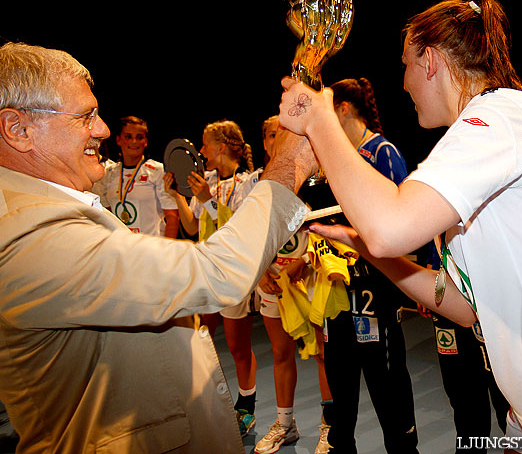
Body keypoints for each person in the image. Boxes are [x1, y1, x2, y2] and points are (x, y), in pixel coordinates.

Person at [278, 0, 522, 451]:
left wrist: (321, 119)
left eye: (405, 65)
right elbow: (460, 304)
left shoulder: (502, 115)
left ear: (431, 61)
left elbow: (390, 226)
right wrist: (360, 245)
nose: (402, 84)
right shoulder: (476, 143)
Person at [0, 41, 316, 453]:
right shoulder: (26, 234)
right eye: (85, 116)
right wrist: (288, 166)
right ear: (18, 130)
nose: (102, 130)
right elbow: (216, 273)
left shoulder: (39, 210)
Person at [316, 78, 418, 454]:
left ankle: (405, 448)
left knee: (388, 386)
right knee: (341, 389)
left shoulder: (383, 152)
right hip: (337, 290)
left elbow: (399, 225)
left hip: (377, 289)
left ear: (343, 109)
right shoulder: (335, 159)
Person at [163, 119, 261, 438]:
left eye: (205, 145)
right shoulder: (204, 182)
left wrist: (206, 198)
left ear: (220, 148)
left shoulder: (247, 183)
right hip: (206, 271)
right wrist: (176, 194)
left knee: (237, 347)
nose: (201, 151)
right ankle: (208, 409)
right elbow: (191, 228)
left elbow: (239, 233)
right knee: (200, 342)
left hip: (233, 273)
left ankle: (247, 409)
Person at [252, 115, 336, 454]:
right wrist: (260, 272)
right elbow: (251, 233)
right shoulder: (256, 183)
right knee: (280, 353)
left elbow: (333, 227)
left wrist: (304, 263)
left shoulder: (318, 179)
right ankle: (285, 424)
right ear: (265, 141)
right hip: (273, 283)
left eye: (287, 134)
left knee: (322, 354)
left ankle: (330, 425)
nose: (279, 140)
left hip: (310, 277)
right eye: (273, 134)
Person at [417, 243, 509, 454]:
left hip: (489, 304)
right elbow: (439, 259)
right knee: (465, 405)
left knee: (508, 407)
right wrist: (431, 289)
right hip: (448, 299)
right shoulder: (434, 217)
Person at [93, 115, 179, 237]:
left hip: (152, 248)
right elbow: (107, 216)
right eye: (128, 137)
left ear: (146, 141)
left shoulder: (157, 171)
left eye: (140, 137)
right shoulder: (108, 173)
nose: (134, 142)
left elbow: (172, 217)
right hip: (122, 248)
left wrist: (168, 252)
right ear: (118, 140)